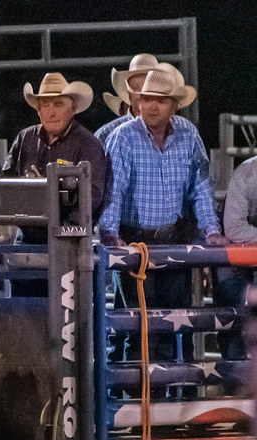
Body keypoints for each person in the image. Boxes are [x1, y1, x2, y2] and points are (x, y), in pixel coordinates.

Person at [100, 69, 229, 364]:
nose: (152, 106)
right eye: (146, 99)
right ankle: (137, 399)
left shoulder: (187, 134)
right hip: (134, 243)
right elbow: (113, 191)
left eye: (160, 100)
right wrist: (110, 235)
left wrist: (211, 229)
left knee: (172, 324)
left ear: (174, 105)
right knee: (136, 326)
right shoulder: (123, 138)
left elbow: (200, 186)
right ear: (138, 102)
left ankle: (164, 400)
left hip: (173, 242)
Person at [2, 73, 106, 216]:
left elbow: (92, 197)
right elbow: (5, 183)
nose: (51, 113)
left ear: (73, 109)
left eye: (58, 104)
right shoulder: (24, 138)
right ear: (38, 111)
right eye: (45, 105)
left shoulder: (88, 144)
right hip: (27, 231)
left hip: (68, 234)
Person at [213, 156, 257, 360]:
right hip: (237, 265)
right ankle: (235, 385)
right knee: (235, 326)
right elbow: (234, 229)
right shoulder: (247, 173)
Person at [95, 54, 183, 146]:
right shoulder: (106, 134)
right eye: (136, 88)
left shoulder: (184, 131)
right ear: (128, 93)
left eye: (147, 88)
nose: (141, 94)